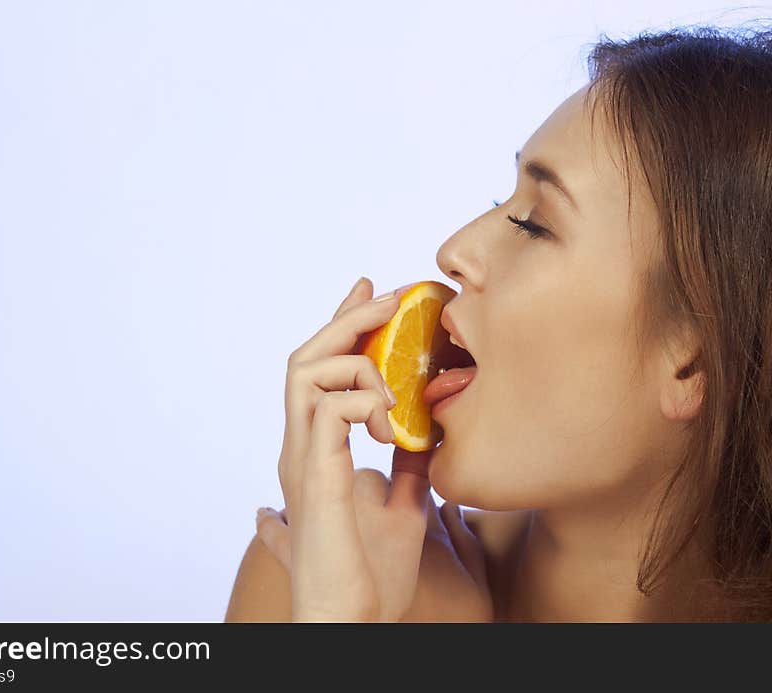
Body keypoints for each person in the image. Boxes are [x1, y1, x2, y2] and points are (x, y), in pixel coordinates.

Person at [225, 25, 772, 622]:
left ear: (691, 364)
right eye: (498, 206)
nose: (452, 251)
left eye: (534, 225)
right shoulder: (312, 577)